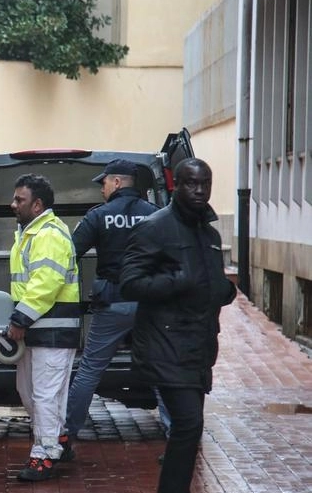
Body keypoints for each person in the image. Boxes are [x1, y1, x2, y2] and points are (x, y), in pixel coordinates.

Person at [119, 158, 236, 493]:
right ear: (176, 185)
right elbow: (129, 283)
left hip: (199, 345)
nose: (199, 190)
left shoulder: (209, 232)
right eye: (191, 183)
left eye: (205, 183)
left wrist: (223, 290)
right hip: (165, 344)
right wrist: (173, 282)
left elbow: (208, 280)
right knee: (188, 423)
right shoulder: (155, 227)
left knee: (189, 429)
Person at [59, 159, 168, 460]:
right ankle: (176, 439)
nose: (103, 188)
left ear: (117, 183)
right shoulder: (157, 215)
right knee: (161, 370)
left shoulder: (99, 216)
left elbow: (70, 254)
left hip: (113, 301)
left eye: (104, 182)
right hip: (149, 303)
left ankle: (66, 436)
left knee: (90, 370)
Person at [4, 174, 80, 481]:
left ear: (38, 205)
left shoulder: (47, 234)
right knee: (29, 392)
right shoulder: (30, 232)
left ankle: (45, 455)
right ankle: (58, 437)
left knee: (45, 396)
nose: (13, 204)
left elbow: (45, 283)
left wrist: (20, 319)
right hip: (40, 329)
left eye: (19, 200)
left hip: (51, 330)